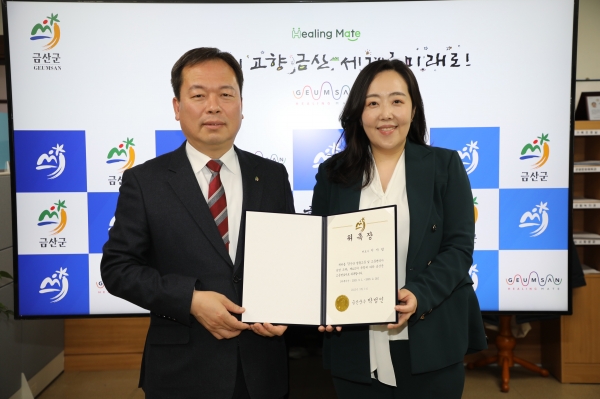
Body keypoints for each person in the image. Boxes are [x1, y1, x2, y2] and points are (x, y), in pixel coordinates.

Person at [101, 47, 294, 399]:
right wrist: (189, 299)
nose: (214, 106)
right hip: (181, 371)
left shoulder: (272, 176)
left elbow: (289, 260)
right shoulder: (145, 182)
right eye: (199, 95)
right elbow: (117, 269)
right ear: (177, 107)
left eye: (226, 94)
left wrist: (286, 309)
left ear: (241, 105)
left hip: (261, 369)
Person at [311, 59, 487, 398]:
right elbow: (319, 251)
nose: (385, 114)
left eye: (396, 101)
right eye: (373, 103)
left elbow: (459, 248)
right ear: (358, 112)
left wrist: (419, 294)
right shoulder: (333, 173)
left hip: (431, 338)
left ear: (413, 108)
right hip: (354, 344)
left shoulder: (445, 165)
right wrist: (321, 302)